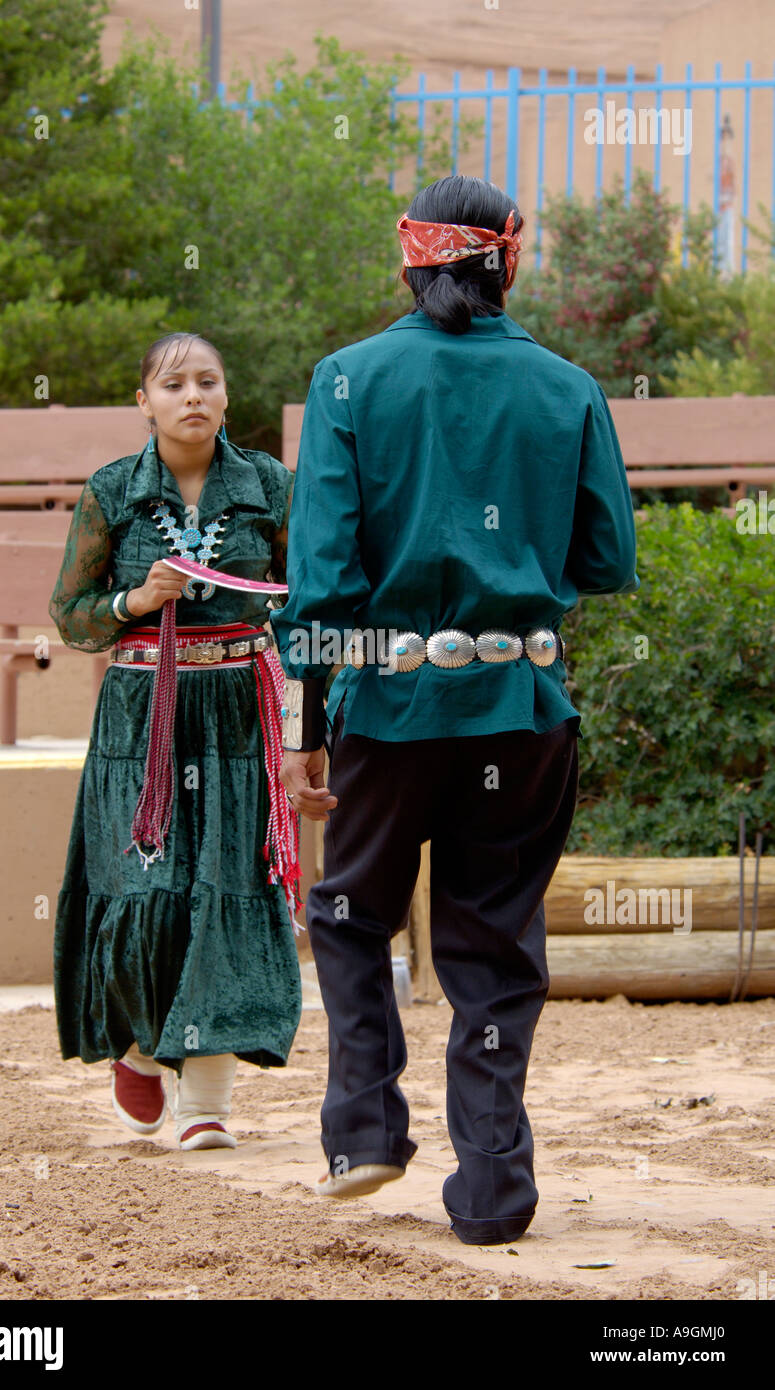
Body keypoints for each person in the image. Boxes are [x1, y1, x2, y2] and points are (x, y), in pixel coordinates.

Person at [270, 175, 639, 1245]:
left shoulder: (347, 383)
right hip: (524, 706)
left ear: (410, 260)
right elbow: (605, 558)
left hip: (389, 709)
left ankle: (362, 1129)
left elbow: (324, 583)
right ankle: (489, 1191)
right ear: (504, 260)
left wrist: (305, 730)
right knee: (490, 946)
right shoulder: (566, 387)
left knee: (346, 914)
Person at [50, 332, 302, 1151]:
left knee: (228, 883)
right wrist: (132, 600)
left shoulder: (270, 484)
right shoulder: (113, 490)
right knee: (140, 888)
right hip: (139, 716)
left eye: (207, 382)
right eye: (172, 384)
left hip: (236, 711)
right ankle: (133, 1046)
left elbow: (307, 599)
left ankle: (206, 1098)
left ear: (227, 396)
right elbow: (71, 614)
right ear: (144, 402)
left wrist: (308, 719)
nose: (191, 396)